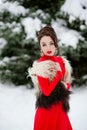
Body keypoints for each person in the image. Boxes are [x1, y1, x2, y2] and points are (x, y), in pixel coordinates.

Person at [28, 25, 73, 130]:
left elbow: (67, 85)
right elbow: (47, 91)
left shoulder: (61, 61)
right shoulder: (41, 66)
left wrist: (65, 85)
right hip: (47, 113)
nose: (48, 48)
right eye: (44, 45)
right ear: (40, 47)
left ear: (55, 44)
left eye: (51, 43)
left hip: (60, 112)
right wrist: (57, 76)